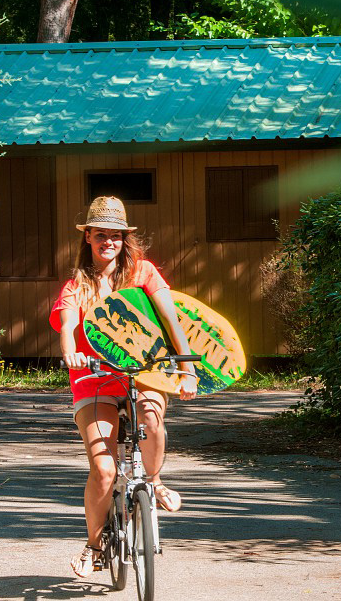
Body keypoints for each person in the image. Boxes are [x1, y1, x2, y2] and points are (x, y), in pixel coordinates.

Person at [50, 196, 199, 578]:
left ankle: (153, 480)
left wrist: (186, 368)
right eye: (100, 235)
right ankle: (94, 545)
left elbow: (171, 321)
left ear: (124, 239)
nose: (108, 242)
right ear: (88, 238)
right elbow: (67, 329)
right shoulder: (76, 286)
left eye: (115, 236)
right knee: (103, 470)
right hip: (93, 378)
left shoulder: (144, 273)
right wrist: (71, 354)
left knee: (151, 417)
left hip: (142, 372)